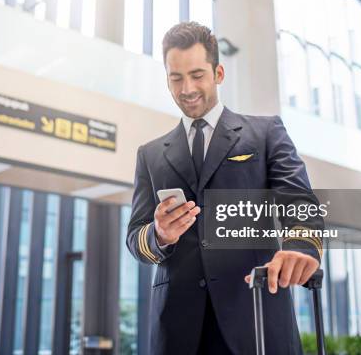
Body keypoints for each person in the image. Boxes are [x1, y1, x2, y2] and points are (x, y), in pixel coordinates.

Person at [126, 21, 324, 354]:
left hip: (256, 315)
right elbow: (135, 240)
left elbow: (299, 201)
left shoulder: (265, 133)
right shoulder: (150, 155)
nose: (187, 87)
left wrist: (301, 248)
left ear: (218, 73)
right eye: (176, 78)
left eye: (197, 75)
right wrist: (159, 235)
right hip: (177, 331)